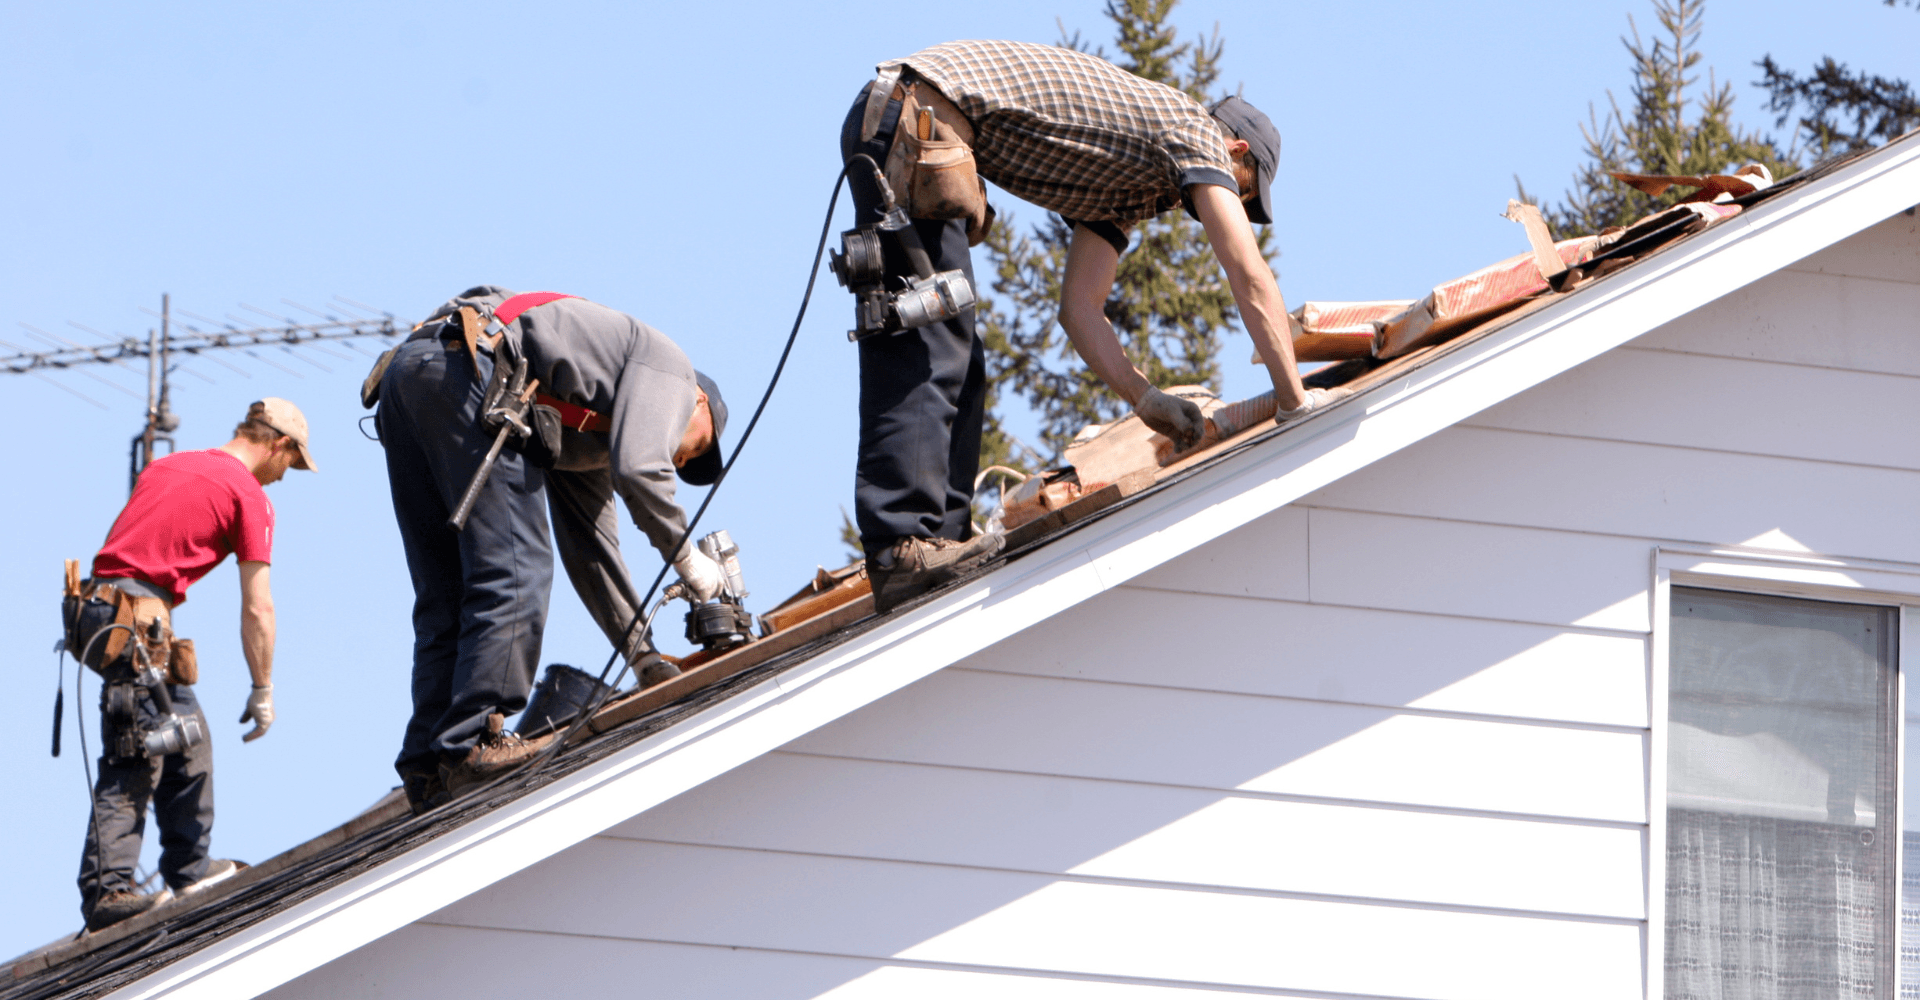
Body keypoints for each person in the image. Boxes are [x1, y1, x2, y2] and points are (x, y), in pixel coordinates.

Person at [841, 40, 1343, 611]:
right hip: (913, 118)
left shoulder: (1124, 188)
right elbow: (1248, 273)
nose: (1224, 202)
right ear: (1236, 147)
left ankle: (938, 543)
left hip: (921, 123)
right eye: (1242, 188)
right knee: (928, 332)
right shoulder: (1193, 130)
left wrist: (1144, 397)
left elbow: (1079, 308)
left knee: (959, 351)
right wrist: (1295, 401)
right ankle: (903, 548)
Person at [372, 287, 728, 815]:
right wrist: (686, 559)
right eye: (695, 443)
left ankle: (429, 765)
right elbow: (641, 471)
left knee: (449, 589)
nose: (679, 457)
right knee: (516, 571)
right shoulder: (672, 370)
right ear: (698, 399)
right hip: (471, 367)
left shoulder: (587, 431)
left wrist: (644, 657)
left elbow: (593, 549)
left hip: (415, 374)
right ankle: (473, 742)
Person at [68, 398, 315, 931]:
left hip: (101, 608)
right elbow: (258, 606)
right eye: (289, 464)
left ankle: (189, 866)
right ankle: (108, 892)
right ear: (278, 443)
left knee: (188, 734)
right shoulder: (247, 494)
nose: (283, 478)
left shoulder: (168, 465)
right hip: (135, 619)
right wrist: (262, 687)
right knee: (138, 750)